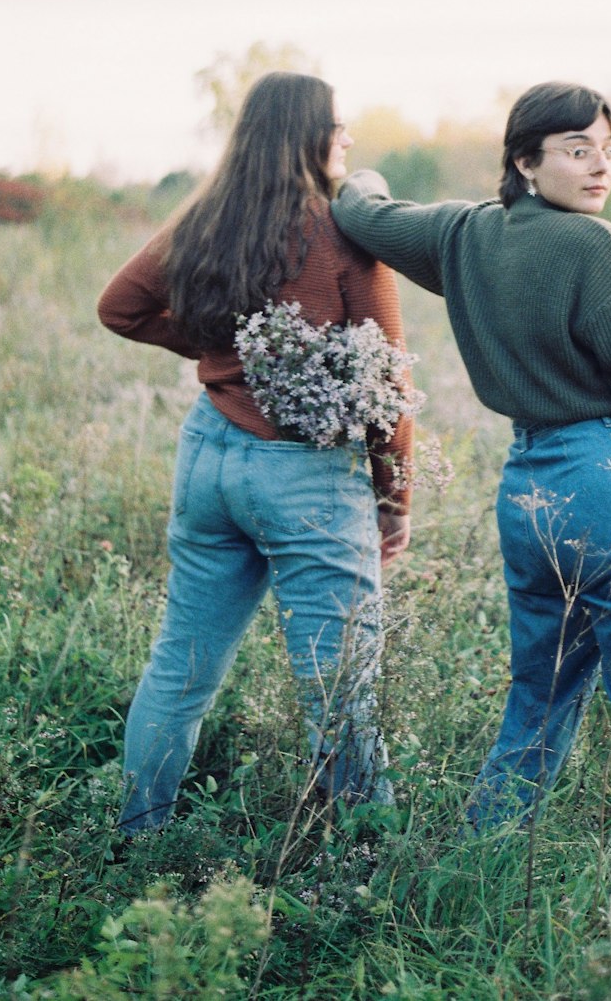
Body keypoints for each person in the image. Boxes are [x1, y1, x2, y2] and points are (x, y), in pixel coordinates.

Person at [331, 81, 611, 860]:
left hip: (528, 491)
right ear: (525, 159)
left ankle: (480, 863)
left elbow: (362, 212)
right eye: (578, 150)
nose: (600, 167)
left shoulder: (462, 235)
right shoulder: (594, 246)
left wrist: (358, 178)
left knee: (536, 705)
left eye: (610, 151)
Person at [97, 72, 413, 832]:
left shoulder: (207, 218)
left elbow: (120, 306)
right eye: (337, 127)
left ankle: (139, 836)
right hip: (305, 472)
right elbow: (389, 389)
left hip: (209, 455)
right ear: (308, 137)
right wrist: (394, 501)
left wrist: (221, 353)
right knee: (338, 688)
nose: (346, 141)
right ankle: (364, 863)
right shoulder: (344, 234)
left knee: (180, 666)